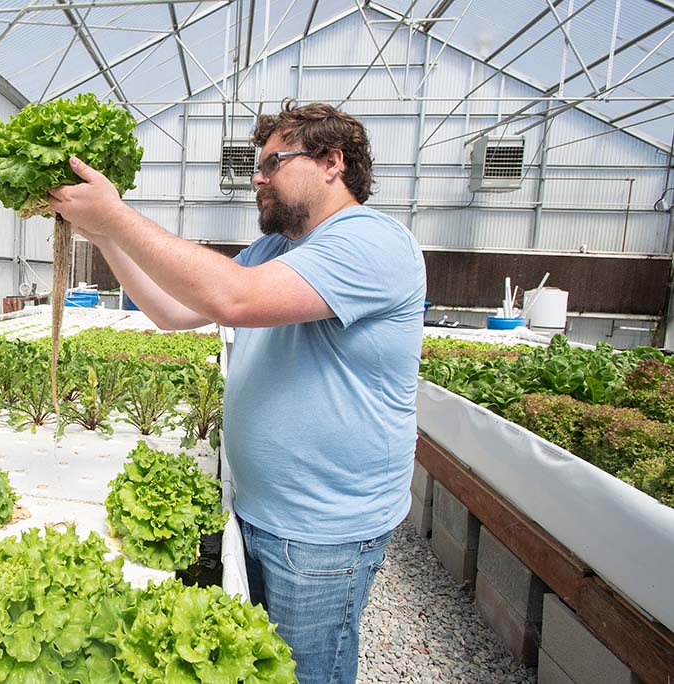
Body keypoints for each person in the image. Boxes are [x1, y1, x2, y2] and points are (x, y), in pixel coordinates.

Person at [47, 99, 425, 684]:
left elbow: (234, 298)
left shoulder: (371, 242)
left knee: (306, 675)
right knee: (266, 667)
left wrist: (118, 217)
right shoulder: (280, 247)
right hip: (260, 510)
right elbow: (174, 310)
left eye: (274, 163)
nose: (258, 176)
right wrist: (102, 234)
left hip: (322, 531)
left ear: (332, 161)